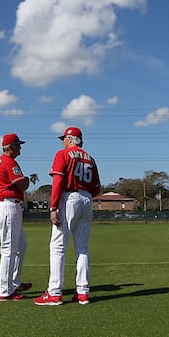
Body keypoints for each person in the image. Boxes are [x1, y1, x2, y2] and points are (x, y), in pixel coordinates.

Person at [34, 127, 101, 306]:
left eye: (64, 138)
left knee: (58, 247)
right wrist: (84, 196)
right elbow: (97, 188)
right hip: (87, 198)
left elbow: (58, 181)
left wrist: (53, 206)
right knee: (83, 248)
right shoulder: (90, 158)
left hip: (69, 197)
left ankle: (54, 293)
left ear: (71, 139)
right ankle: (83, 292)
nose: (63, 142)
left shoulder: (62, 154)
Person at [0, 133, 31, 301]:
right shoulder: (9, 162)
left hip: (7, 205)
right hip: (7, 205)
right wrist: (27, 180)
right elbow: (22, 185)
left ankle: (14, 282)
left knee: (21, 245)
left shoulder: (4, 160)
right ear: (10, 147)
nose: (20, 147)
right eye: (18, 145)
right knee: (8, 250)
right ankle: (5, 290)